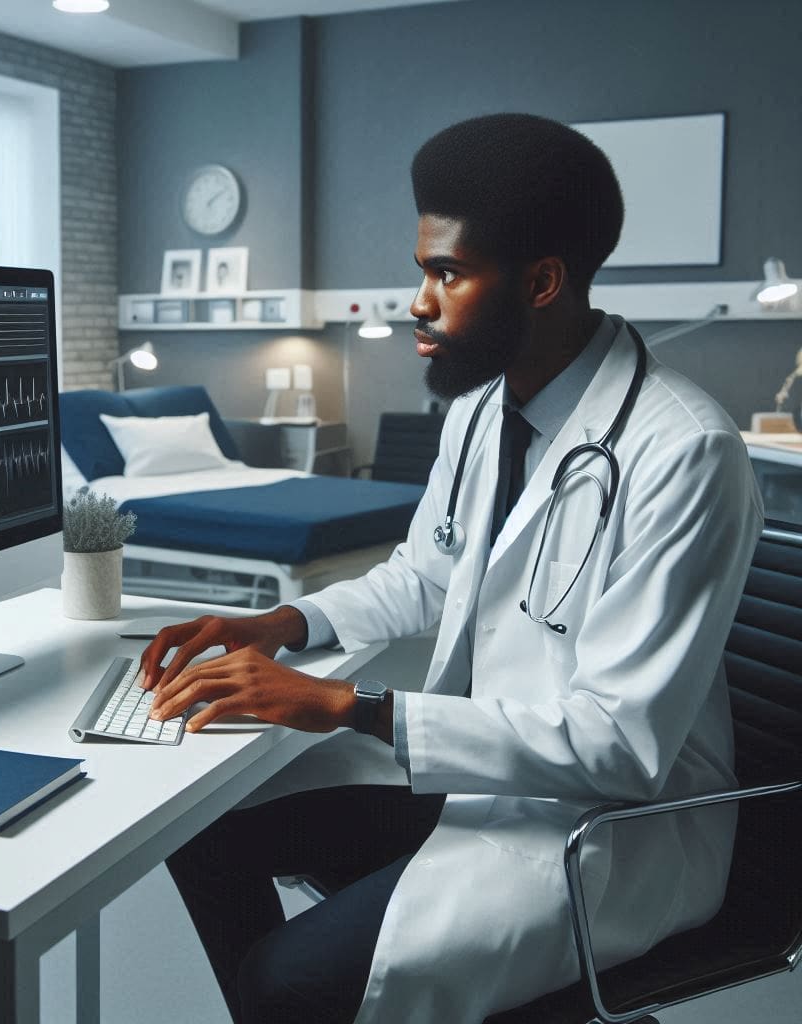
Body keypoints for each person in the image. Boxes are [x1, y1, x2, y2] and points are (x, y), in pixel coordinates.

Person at [138, 113, 763, 1024]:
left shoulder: (686, 450)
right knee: (201, 829)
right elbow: (426, 576)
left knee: (286, 982)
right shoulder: (481, 408)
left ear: (541, 281)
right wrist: (282, 625)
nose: (418, 302)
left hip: (606, 829)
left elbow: (619, 747)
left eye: (446, 273)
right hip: (478, 781)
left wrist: (349, 707)